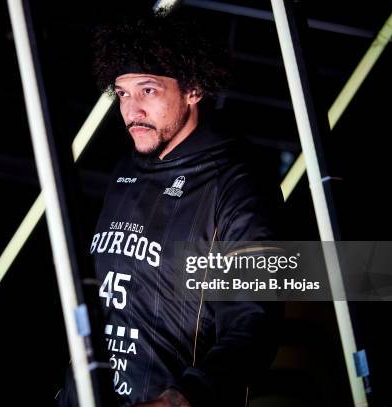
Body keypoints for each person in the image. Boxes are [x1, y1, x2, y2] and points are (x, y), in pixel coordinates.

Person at [59, 9, 284, 407]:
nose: (131, 112)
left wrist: (179, 400)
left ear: (194, 88)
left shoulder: (239, 184)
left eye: (148, 90)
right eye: (123, 93)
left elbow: (254, 323)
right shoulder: (127, 167)